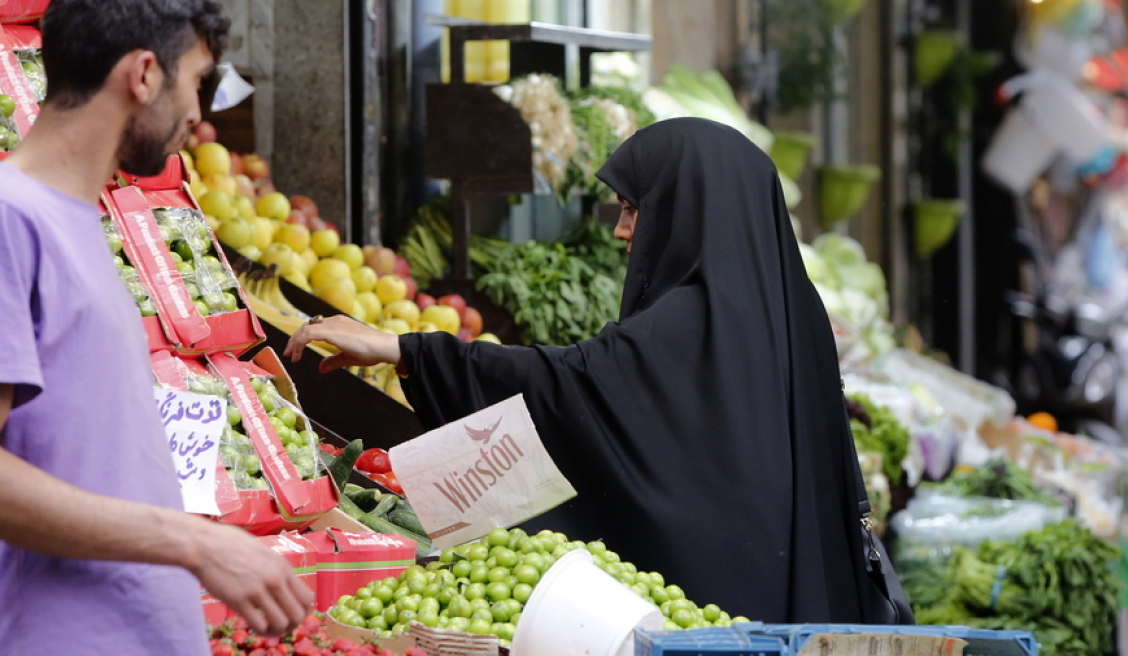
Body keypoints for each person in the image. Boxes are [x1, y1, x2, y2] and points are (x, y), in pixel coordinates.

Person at [286, 118, 872, 622]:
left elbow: (575, 385)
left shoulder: (690, 322)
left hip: (717, 616)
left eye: (633, 208)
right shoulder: (791, 308)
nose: (621, 230)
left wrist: (408, 351)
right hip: (787, 599)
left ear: (687, 206)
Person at [0, 2, 313, 653]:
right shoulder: (12, 220)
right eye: (196, 80)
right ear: (144, 73)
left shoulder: (76, 223)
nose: (198, 112)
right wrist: (193, 542)